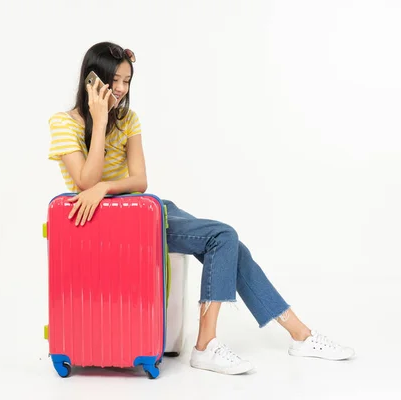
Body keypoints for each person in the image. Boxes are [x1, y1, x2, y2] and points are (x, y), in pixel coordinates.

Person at [47, 41, 355, 375]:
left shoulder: (129, 119)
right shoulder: (64, 123)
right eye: (114, 81)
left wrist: (107, 185)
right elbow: (84, 181)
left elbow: (140, 180)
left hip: (140, 212)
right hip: (108, 223)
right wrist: (99, 118)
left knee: (231, 246)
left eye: (127, 81)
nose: (121, 89)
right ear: (92, 81)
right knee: (223, 236)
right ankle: (208, 346)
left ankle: (300, 335)